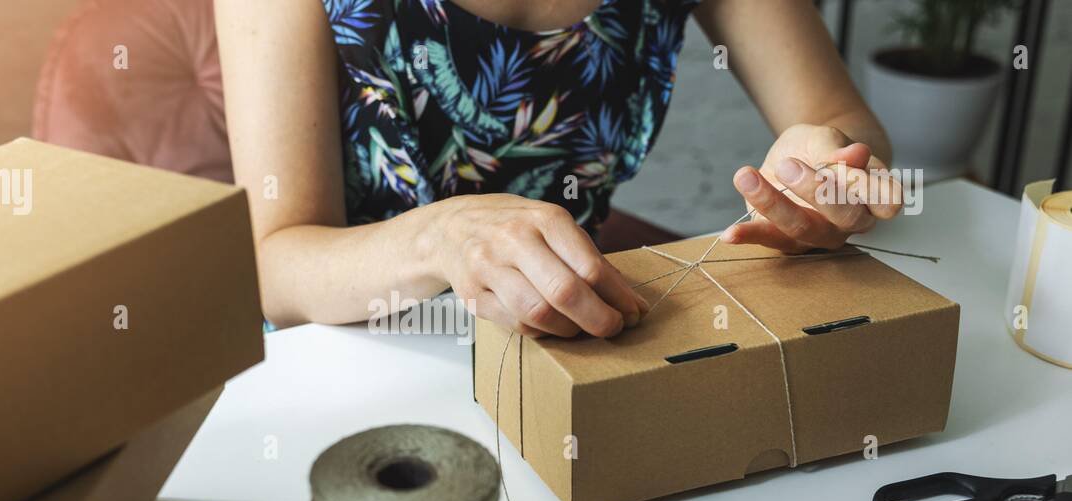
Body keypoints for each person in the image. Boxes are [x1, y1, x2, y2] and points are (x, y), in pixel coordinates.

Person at [215, 0, 902, 338]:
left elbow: (847, 125)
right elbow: (271, 266)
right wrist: (441, 236)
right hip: (353, 353)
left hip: (567, 340)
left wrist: (829, 171)